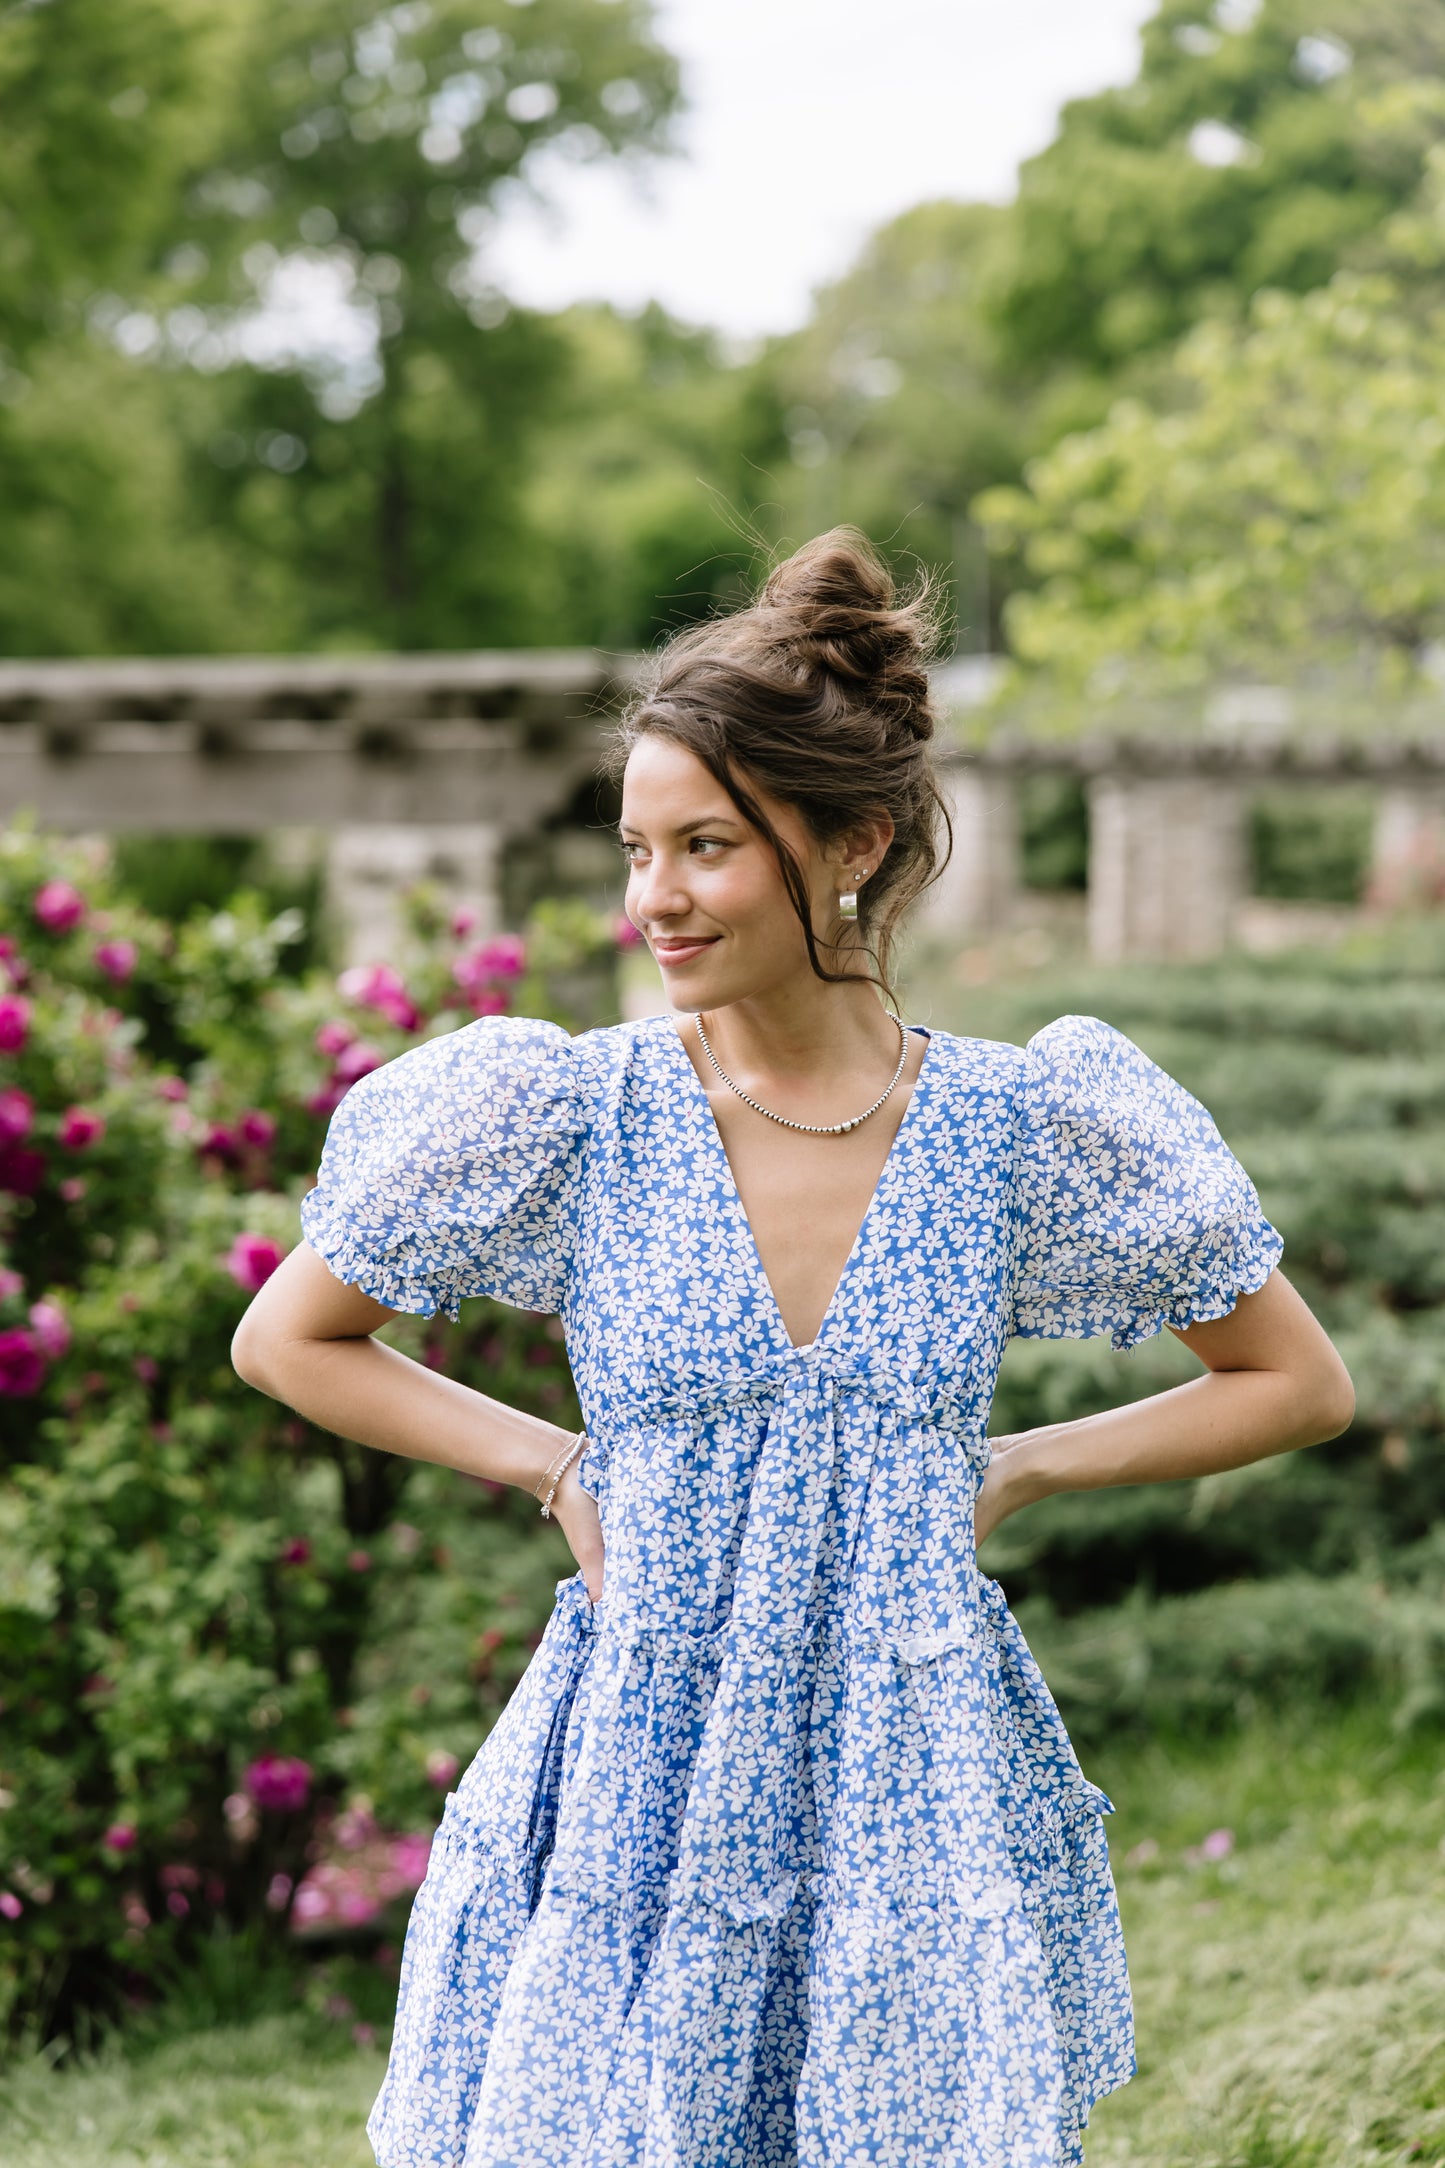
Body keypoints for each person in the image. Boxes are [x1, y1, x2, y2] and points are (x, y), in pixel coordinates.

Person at [232, 529, 1354, 2168]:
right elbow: (291, 1338)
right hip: (641, 1761)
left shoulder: (1018, 1123)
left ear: (851, 843)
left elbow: (1296, 1382)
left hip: (906, 1766)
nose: (652, 899)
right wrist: (555, 1468)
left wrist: (1016, 1469)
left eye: (704, 847)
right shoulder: (573, 1111)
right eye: (636, 849)